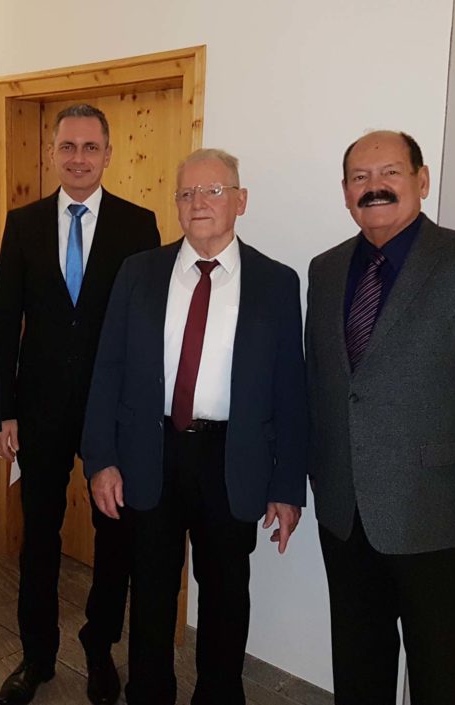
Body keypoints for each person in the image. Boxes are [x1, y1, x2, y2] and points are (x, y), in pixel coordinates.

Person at [305, 130, 455, 705]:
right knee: (357, 667)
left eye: (390, 172)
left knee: (438, 673)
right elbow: (326, 386)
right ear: (345, 192)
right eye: (360, 177)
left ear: (422, 180)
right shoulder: (326, 269)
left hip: (438, 516)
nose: (375, 186)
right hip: (345, 512)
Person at [81, 148, 308, 705]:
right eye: (187, 193)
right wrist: (101, 459)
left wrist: (286, 486)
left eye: (213, 190)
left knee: (227, 596)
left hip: (232, 459)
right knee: (150, 592)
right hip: (150, 452)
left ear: (240, 200)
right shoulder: (139, 272)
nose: (198, 202)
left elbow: (290, 391)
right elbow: (107, 368)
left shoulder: (276, 283)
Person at [0, 104, 160, 705]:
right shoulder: (24, 223)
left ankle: (98, 645)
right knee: (39, 534)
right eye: (68, 146)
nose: (79, 157)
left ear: (108, 154)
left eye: (90, 147)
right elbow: (4, 322)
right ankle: (36, 656)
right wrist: (3, 409)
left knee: (116, 538)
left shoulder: (138, 225)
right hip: (38, 411)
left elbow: (147, 327)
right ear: (53, 153)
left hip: (114, 412)